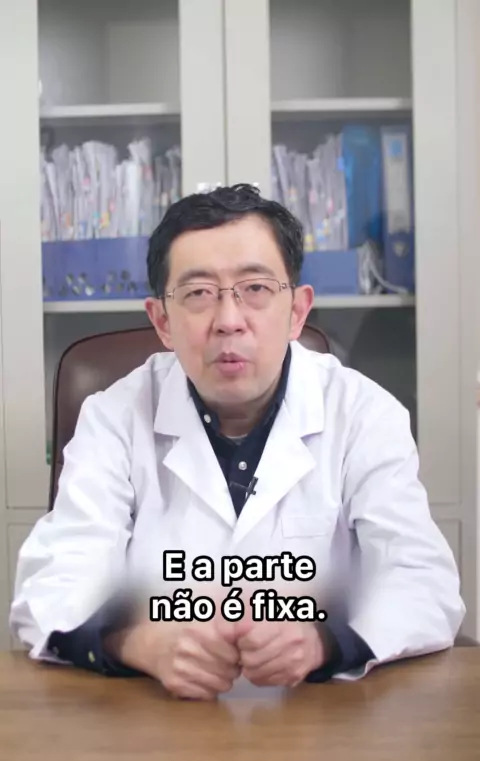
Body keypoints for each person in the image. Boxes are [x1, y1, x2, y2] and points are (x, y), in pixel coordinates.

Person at [10, 184, 465, 700]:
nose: (229, 321)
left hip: (321, 716)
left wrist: (327, 641)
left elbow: (422, 580)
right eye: (198, 293)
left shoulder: (363, 414)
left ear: (297, 311)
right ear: (162, 321)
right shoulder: (113, 417)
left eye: (255, 288)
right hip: (156, 717)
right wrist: (136, 643)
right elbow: (53, 586)